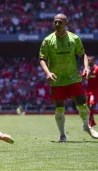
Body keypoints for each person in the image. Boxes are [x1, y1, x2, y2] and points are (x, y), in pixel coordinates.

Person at [39, 14, 98, 142]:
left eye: (60, 22)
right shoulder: (47, 40)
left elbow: (82, 54)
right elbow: (42, 59)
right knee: (59, 107)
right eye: (55, 22)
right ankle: (62, 134)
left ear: (66, 23)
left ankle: (87, 127)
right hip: (57, 80)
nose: (57, 24)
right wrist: (48, 73)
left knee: (82, 104)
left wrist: (86, 67)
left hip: (73, 78)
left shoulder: (74, 38)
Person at [85, 56, 98, 127]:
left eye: (89, 61)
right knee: (87, 107)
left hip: (95, 91)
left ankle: (89, 123)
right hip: (88, 91)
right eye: (88, 61)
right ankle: (92, 122)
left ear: (93, 61)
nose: (88, 62)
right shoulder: (87, 69)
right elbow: (83, 77)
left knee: (91, 105)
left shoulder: (97, 69)